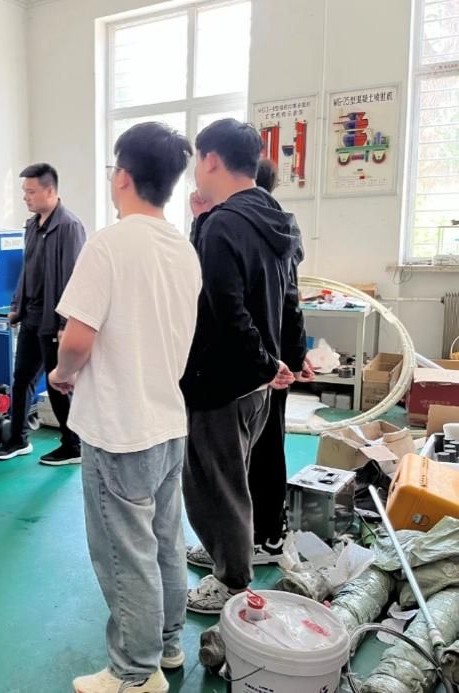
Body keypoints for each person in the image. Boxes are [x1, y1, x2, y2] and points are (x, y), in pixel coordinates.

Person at [49, 123, 201, 693]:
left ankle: (134, 673)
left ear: (122, 177)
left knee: (125, 554)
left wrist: (62, 375)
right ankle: (167, 646)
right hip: (167, 421)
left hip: (118, 426)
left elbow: (77, 339)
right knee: (164, 540)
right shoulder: (182, 247)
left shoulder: (109, 244)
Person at [180, 119, 302, 615]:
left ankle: (231, 579)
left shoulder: (224, 225)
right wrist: (278, 361)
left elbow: (225, 310)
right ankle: (224, 550)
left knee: (214, 483)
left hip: (221, 380)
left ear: (211, 159)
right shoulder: (276, 218)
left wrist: (264, 361)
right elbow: (288, 300)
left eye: (198, 160)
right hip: (256, 383)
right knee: (236, 476)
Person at [0, 163, 86, 465]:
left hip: (53, 320)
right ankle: (18, 439)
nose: (25, 197)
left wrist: (65, 323)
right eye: (24, 191)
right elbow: (27, 271)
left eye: (31, 191)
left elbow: (73, 278)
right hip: (31, 317)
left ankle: (73, 445)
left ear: (50, 190)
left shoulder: (69, 226)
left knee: (57, 383)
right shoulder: (33, 226)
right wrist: (16, 307)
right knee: (21, 379)